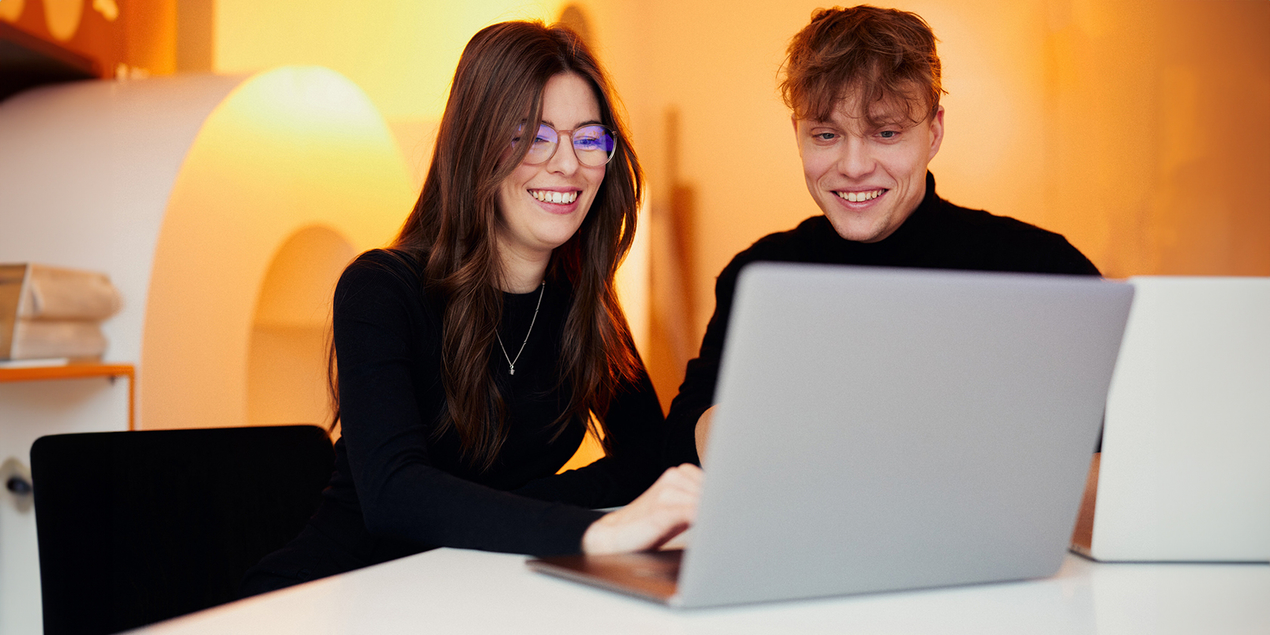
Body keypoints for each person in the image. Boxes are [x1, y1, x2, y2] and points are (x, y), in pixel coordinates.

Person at [242, 21, 700, 597]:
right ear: (476, 145)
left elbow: (643, 460)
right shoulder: (381, 288)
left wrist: (499, 511)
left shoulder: (584, 303)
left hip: (473, 587)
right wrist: (592, 531)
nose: (567, 165)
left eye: (588, 138)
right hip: (339, 591)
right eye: (534, 136)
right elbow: (396, 495)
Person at [665, 5, 1101, 465]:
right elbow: (678, 443)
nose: (854, 167)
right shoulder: (759, 274)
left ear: (934, 133)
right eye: (826, 135)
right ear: (798, 135)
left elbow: (1118, 455)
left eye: (886, 132)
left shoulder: (1044, 270)